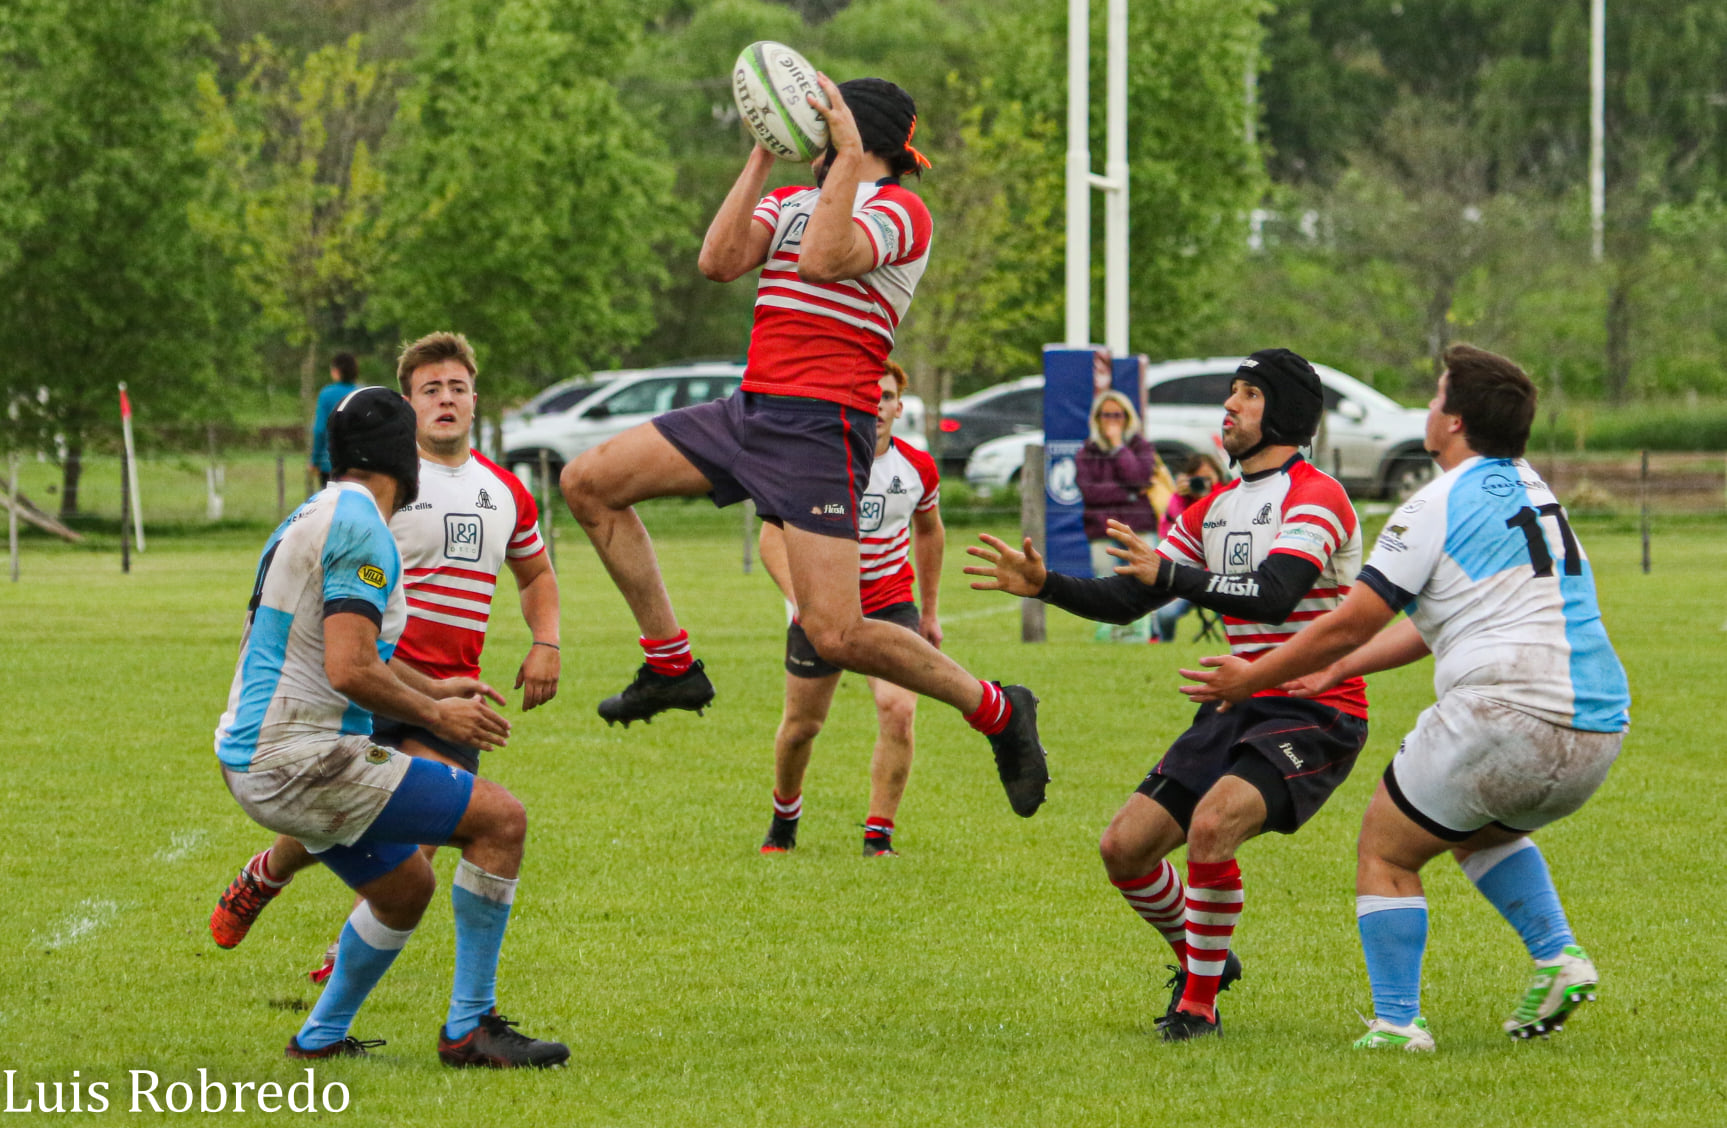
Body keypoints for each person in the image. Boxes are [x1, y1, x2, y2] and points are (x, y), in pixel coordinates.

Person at [558, 73, 1047, 817]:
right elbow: (717, 261)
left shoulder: (902, 211)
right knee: (587, 482)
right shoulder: (790, 199)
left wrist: (844, 158)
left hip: (821, 428)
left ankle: (997, 710)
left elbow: (822, 261)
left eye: (821, 125)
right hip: (749, 410)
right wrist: (759, 155)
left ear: (853, 135)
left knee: (837, 632)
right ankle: (670, 664)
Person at [1179, 344, 1629, 1052]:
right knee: (1475, 825)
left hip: (1505, 709)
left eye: (1434, 396)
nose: (1426, 408)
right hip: (1598, 724)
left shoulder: (1433, 504)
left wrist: (1255, 677)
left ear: (1452, 421)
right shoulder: (1535, 491)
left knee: (1385, 849)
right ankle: (1556, 956)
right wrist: (1333, 673)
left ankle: (1397, 1024)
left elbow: (1355, 618)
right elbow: (1430, 627)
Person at [965, 348, 1368, 1041]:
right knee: (1123, 848)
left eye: (1247, 394)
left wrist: (1172, 578)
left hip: (1317, 709)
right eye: (1232, 392)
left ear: (1285, 412)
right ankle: (1205, 956)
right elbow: (1129, 598)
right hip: (1234, 701)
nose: (1230, 406)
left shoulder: (1316, 494)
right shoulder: (1212, 506)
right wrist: (1045, 586)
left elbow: (1278, 594)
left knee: (1212, 829)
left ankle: (1198, 1006)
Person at [210, 385, 566, 1067]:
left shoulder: (315, 509)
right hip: (299, 758)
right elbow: (349, 669)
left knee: (406, 888)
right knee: (500, 822)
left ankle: (317, 1041)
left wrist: (433, 684)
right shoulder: (360, 528)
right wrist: (438, 713)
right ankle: (470, 1029)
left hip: (254, 752)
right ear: (404, 460)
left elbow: (347, 652)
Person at [757, 361, 942, 857]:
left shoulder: (918, 468)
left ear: (898, 407)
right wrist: (801, 599)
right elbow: (771, 537)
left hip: (890, 604)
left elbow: (929, 532)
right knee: (802, 728)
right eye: (867, 396)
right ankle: (784, 817)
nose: (876, 406)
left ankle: (877, 836)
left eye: (884, 397)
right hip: (822, 607)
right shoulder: (816, 463)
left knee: (898, 709)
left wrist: (929, 611)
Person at [1076, 390, 1167, 644]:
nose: (1112, 420)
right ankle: (1112, 636)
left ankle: (1150, 634)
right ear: (1097, 418)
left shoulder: (1141, 446)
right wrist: (1128, 495)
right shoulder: (1087, 451)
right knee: (1105, 583)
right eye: (1106, 415)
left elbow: (1138, 478)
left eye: (1117, 415)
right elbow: (1090, 492)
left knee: (1147, 580)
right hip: (1101, 529)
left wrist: (1118, 448)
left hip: (1138, 527)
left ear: (1128, 417)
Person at [1151, 453, 1228, 643]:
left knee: (1234, 608)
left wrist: (1207, 498)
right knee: (1165, 614)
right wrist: (1179, 497)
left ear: (1218, 477)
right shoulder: (1181, 501)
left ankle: (1237, 647)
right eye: (1198, 479)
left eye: (1208, 479)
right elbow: (1168, 535)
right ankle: (1164, 645)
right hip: (1186, 578)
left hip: (1219, 578)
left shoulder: (1228, 499)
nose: (1203, 483)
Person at [310, 353, 360, 487]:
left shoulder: (326, 394)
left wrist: (314, 461)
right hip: (358, 464)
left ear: (336, 371)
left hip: (330, 463)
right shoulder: (362, 393)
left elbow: (320, 429)